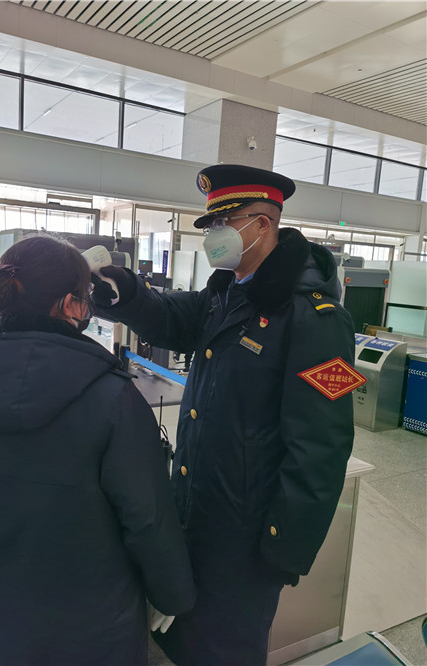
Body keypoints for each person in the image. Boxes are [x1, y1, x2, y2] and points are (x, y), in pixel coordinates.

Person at [91, 164, 356, 666]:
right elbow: (172, 317)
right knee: (188, 638)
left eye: (224, 222)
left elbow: (321, 448)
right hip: (198, 509)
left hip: (248, 539)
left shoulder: (315, 318)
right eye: (211, 224)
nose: (214, 234)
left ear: (263, 223)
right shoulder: (227, 293)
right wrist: (126, 294)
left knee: (227, 649)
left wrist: (282, 551)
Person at [0, 234, 196, 666]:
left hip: (6, 590)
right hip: (98, 608)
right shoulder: (113, 399)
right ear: (72, 307)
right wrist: (173, 593)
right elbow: (147, 517)